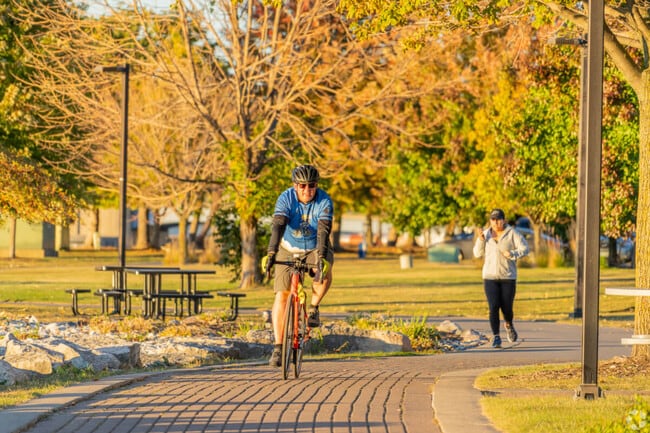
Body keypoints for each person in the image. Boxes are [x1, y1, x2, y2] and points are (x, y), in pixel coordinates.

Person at [263, 165, 334, 367]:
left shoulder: (324, 201)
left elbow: (323, 231)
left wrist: (320, 257)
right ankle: (278, 347)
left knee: (324, 273)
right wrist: (271, 252)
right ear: (295, 186)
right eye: (302, 186)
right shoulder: (286, 198)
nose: (307, 190)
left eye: (311, 185)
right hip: (287, 247)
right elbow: (278, 225)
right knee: (282, 295)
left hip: (315, 246)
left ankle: (313, 308)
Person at [472, 208, 529, 348]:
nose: (496, 222)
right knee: (493, 307)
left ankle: (509, 324)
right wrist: (480, 240)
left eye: (498, 219)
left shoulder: (512, 234)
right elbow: (477, 254)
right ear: (490, 221)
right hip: (489, 277)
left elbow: (525, 248)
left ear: (504, 220)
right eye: (493, 219)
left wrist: (512, 254)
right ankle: (496, 336)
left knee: (507, 308)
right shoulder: (485, 235)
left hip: (508, 277)